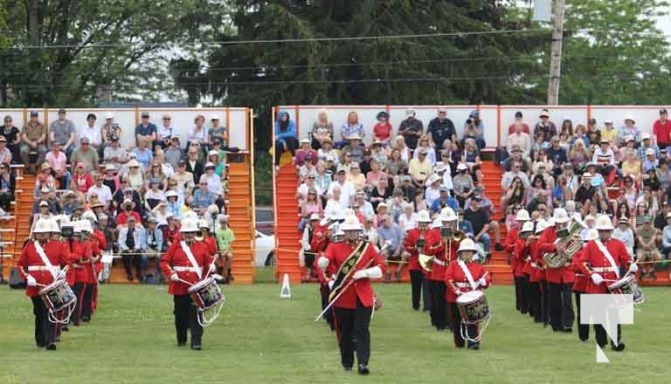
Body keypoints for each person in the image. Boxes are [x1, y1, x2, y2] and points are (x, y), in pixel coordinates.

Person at [317, 213, 386, 375]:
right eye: (349, 231)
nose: (352, 234)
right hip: (343, 297)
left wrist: (366, 273)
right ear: (344, 232)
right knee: (346, 331)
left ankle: (363, 363)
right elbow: (326, 260)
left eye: (354, 231)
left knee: (362, 329)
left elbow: (382, 267)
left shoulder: (368, 247)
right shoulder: (335, 246)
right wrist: (324, 262)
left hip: (363, 297)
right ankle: (347, 361)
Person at [576, 214, 635, 351]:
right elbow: (582, 262)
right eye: (601, 231)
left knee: (614, 314)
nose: (603, 233)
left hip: (612, 283)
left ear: (610, 231)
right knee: (598, 315)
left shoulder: (618, 244)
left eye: (606, 231)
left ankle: (616, 342)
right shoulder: (591, 245)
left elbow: (626, 259)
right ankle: (601, 341)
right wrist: (592, 274)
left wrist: (631, 266)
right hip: (596, 283)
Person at [160, 218, 215, 350]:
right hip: (180, 286)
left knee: (197, 314)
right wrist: (171, 273)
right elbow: (164, 262)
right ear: (183, 234)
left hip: (197, 287)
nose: (189, 235)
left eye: (192, 232)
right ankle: (181, 338)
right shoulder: (175, 246)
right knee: (180, 315)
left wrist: (212, 269)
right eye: (187, 232)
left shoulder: (202, 246)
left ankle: (196, 341)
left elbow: (207, 265)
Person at [15, 218, 70, 350]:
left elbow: (67, 263)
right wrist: (27, 277)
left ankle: (50, 340)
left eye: (44, 232)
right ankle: (41, 339)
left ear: (49, 233)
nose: (42, 235)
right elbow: (20, 265)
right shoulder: (29, 247)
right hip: (35, 286)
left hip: (52, 285)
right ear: (35, 234)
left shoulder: (58, 245)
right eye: (39, 233)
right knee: (40, 313)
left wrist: (63, 273)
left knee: (51, 311)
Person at [444, 238, 490, 349]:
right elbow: (448, 278)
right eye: (465, 251)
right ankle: (459, 343)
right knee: (457, 321)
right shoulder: (454, 265)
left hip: (472, 297)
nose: (467, 254)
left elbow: (486, 277)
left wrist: (485, 281)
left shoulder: (478, 266)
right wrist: (457, 291)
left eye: (470, 251)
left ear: (473, 253)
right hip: (456, 297)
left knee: (473, 321)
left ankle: (473, 343)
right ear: (460, 253)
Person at [537, 208, 575, 333]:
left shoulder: (570, 232)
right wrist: (554, 247)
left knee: (567, 299)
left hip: (567, 271)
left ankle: (568, 324)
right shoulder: (548, 231)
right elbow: (540, 245)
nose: (561, 224)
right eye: (559, 222)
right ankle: (556, 324)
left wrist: (570, 255)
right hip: (553, 272)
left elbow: (577, 249)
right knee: (555, 300)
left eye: (563, 222)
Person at [403, 211, 433, 311]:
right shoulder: (412, 232)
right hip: (415, 263)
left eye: (425, 223)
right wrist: (415, 248)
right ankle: (415, 305)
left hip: (427, 262)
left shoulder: (431, 232)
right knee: (416, 286)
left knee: (427, 286)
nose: (423, 225)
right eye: (421, 223)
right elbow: (407, 246)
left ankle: (427, 306)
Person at [118, 216, 147, 282]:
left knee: (138, 255)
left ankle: (138, 273)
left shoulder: (138, 230)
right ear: (127, 223)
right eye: (130, 222)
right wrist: (126, 248)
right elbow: (120, 241)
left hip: (135, 247)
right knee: (125, 256)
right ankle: (129, 273)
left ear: (135, 223)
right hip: (125, 247)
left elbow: (140, 241)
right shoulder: (123, 230)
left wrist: (135, 248)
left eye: (133, 222)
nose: (131, 224)